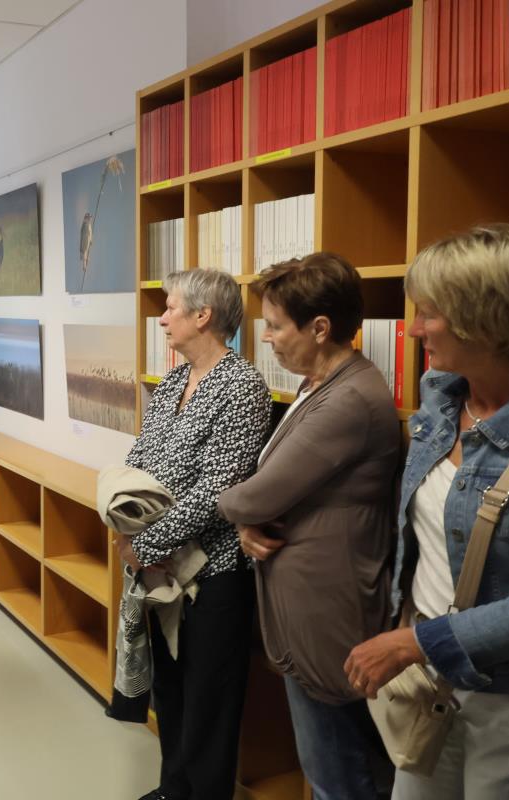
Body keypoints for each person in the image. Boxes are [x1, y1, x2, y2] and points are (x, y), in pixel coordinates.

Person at [344, 224, 509, 799]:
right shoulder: (442, 398)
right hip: (428, 676)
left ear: (485, 319)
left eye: (428, 313)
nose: (415, 328)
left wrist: (411, 643)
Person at [218, 253, 400, 799]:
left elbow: (260, 492)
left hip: (328, 615)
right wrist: (246, 523)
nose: (266, 338)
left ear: (320, 328)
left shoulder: (349, 399)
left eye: (275, 326)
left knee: (338, 775)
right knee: (326, 765)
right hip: (306, 607)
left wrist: (227, 505)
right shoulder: (319, 384)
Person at [120, 267, 271, 800]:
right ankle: (173, 789)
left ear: (203, 316)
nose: (162, 318)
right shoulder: (172, 382)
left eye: (171, 307)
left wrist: (146, 545)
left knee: (209, 703)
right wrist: (126, 526)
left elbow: (218, 489)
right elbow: (139, 461)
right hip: (160, 572)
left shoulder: (242, 386)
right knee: (171, 690)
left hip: (213, 574)